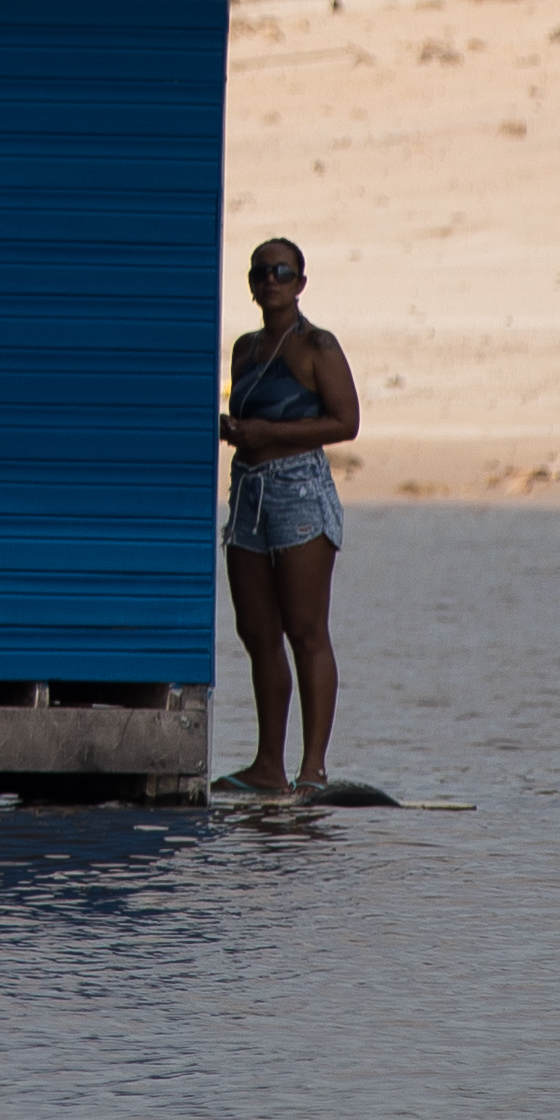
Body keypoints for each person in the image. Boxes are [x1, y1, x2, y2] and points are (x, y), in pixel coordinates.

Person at [219, 235, 361, 797]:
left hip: (299, 490)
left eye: (281, 271)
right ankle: (267, 766)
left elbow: (346, 423)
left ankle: (312, 770)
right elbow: (243, 419)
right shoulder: (245, 349)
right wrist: (237, 434)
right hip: (248, 493)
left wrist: (268, 434)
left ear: (301, 283)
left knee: (306, 630)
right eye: (260, 272)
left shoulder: (317, 346)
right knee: (256, 632)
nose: (270, 280)